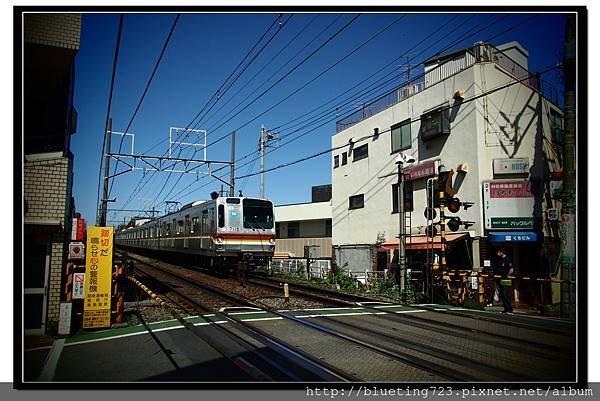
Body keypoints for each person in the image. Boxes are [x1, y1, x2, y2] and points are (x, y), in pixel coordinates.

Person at [495, 248, 514, 313]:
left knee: (505, 293)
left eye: (498, 252)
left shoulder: (508, 260)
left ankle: (510, 308)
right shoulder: (500, 260)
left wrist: (507, 275)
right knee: (502, 294)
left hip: (506, 279)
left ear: (502, 252)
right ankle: (505, 308)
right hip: (500, 278)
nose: (497, 254)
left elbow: (511, 270)